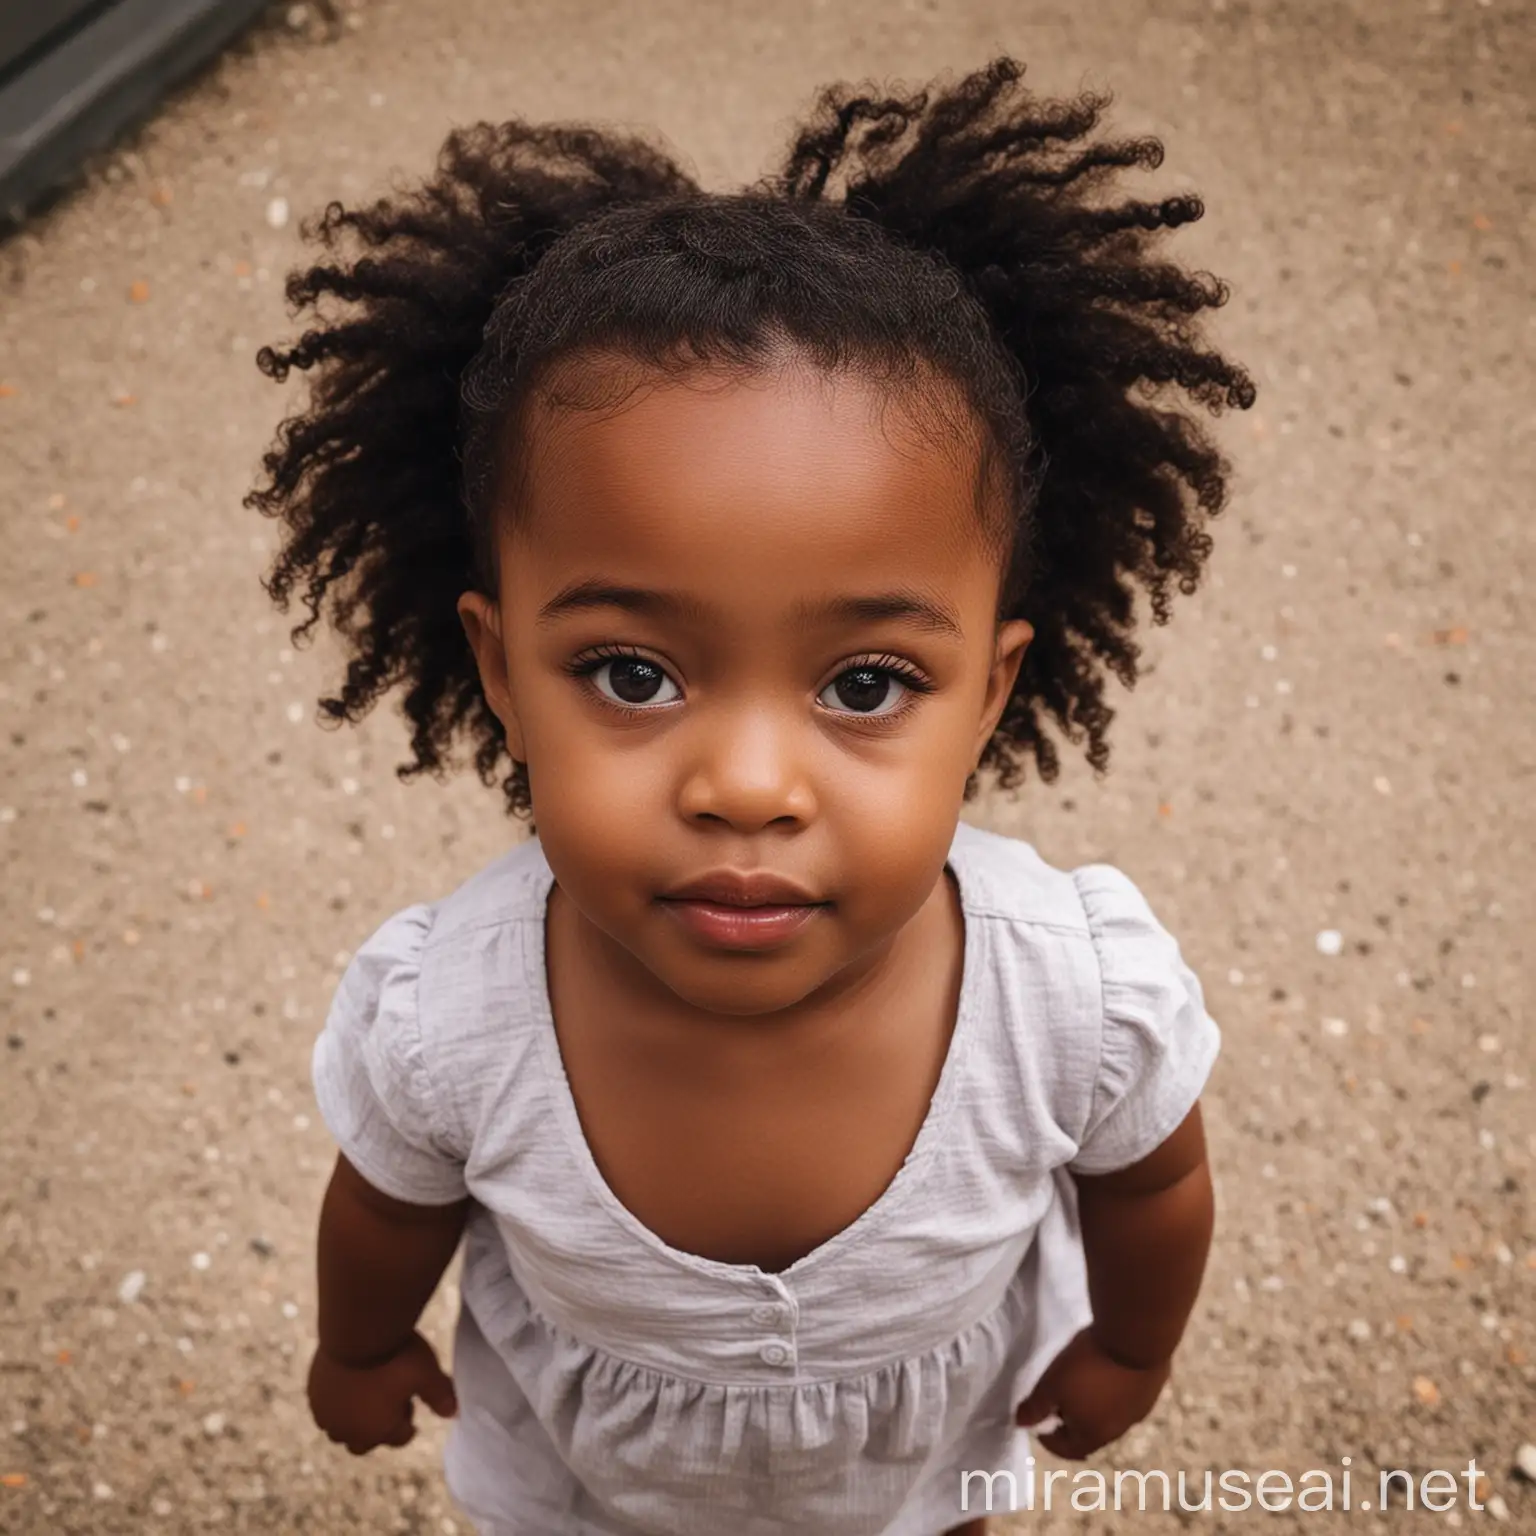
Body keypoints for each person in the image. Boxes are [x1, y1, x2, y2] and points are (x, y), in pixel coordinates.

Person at [248, 56, 1255, 1536]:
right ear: (502, 668)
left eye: (865, 686)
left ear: (989, 690)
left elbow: (1154, 1183)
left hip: (920, 1486)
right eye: (633, 673)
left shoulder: (1073, 999)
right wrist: (355, 1341)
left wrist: (1129, 1343)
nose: (745, 786)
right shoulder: (451, 1020)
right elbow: (390, 1209)